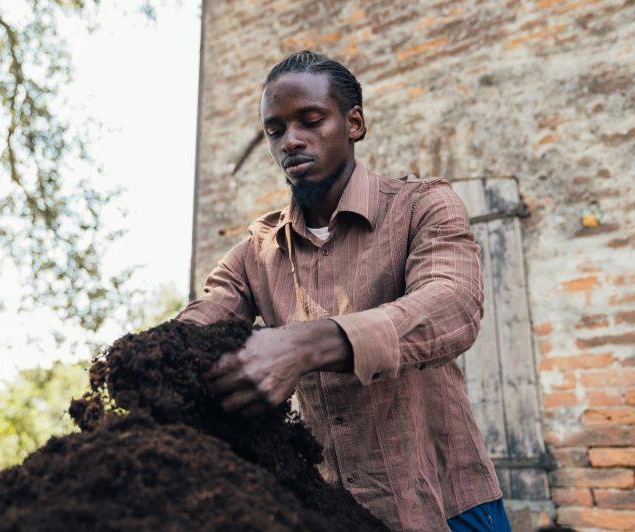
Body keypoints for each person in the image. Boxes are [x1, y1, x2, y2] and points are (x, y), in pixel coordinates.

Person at [177, 50, 509, 532]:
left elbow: (452, 304)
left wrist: (303, 346)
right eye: (274, 130)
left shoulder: (423, 206)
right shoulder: (255, 252)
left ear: (354, 123)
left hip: (448, 505)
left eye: (310, 121)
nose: (291, 141)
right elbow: (200, 322)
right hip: (332, 513)